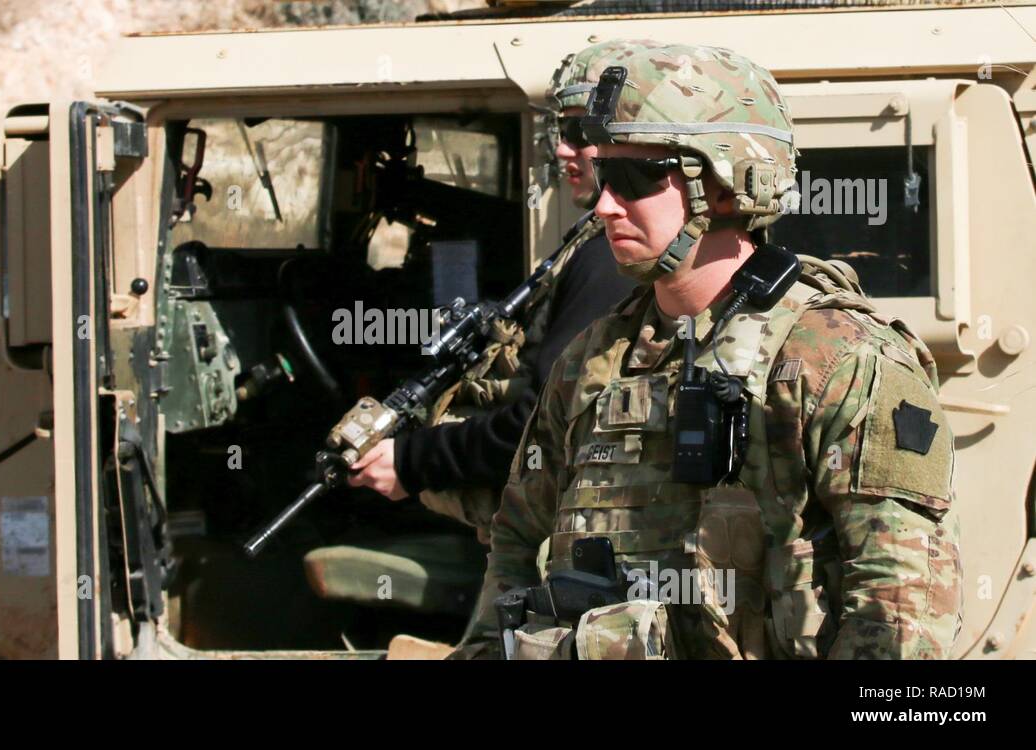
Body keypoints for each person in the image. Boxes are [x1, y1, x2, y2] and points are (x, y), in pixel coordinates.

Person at [457, 39, 963, 660]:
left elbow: (899, 615)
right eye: (602, 177)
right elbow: (515, 542)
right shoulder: (590, 361)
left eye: (635, 178)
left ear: (726, 186)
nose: (605, 205)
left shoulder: (839, 360)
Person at [345, 46, 635, 545]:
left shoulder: (613, 255)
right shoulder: (595, 240)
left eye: (579, 133)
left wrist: (415, 462)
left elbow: (545, 422)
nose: (563, 150)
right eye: (558, 134)